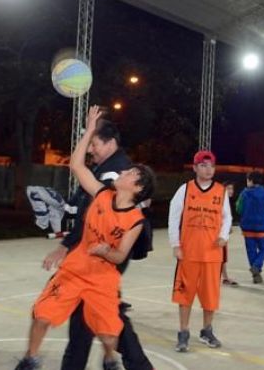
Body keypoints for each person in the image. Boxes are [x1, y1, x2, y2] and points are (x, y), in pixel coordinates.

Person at [15, 106, 155, 370]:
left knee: (100, 324)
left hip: (103, 265)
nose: (91, 149)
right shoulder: (104, 186)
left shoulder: (120, 182)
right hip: (83, 261)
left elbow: (117, 248)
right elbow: (77, 169)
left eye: (95, 144)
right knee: (72, 320)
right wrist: (89, 129)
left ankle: (120, 361)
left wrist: (97, 251)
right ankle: (44, 361)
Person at [169, 150, 232, 352]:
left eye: (211, 166)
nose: (208, 169)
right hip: (189, 252)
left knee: (210, 296)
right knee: (185, 295)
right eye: (203, 165)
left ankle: (206, 330)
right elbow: (174, 218)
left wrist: (224, 235)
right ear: (195, 168)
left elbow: (227, 217)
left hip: (212, 254)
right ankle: (183, 331)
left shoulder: (221, 191)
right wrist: (175, 244)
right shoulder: (185, 190)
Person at [236, 172, 264, 284]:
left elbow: (239, 208)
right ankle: (256, 266)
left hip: (247, 227)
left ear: (250, 180)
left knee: (251, 250)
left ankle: (255, 272)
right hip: (262, 227)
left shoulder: (244, 193)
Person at [221, 181, 238, 286]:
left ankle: (225, 277)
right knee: (220, 256)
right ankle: (225, 277)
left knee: (222, 256)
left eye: (232, 189)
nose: (231, 191)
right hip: (218, 233)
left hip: (223, 233)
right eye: (228, 188)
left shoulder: (226, 202)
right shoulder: (220, 200)